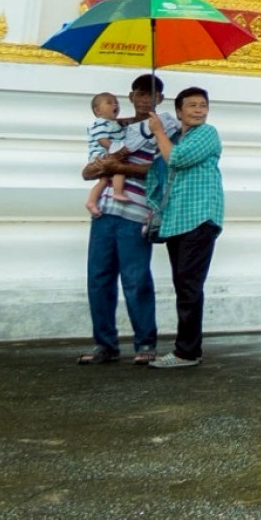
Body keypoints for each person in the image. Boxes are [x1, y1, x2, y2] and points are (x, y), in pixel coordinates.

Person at [77, 74, 170, 367]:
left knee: (136, 279)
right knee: (98, 278)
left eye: (151, 94)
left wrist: (118, 165)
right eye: (140, 94)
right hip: (104, 210)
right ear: (131, 97)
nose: (145, 99)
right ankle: (105, 344)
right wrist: (106, 165)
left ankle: (146, 344)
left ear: (160, 99)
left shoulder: (164, 126)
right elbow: (88, 171)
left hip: (137, 211)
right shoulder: (114, 126)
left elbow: (162, 169)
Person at [149, 86, 224, 371]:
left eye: (202, 105)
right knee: (183, 285)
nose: (198, 110)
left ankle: (187, 351)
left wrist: (158, 132)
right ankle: (188, 348)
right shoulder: (176, 138)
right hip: (177, 219)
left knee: (189, 286)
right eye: (191, 105)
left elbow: (177, 159)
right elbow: (159, 171)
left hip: (200, 218)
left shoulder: (207, 133)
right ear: (178, 111)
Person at [85, 93, 132, 215]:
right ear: (98, 111)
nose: (115, 105)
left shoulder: (113, 123)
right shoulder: (100, 123)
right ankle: (118, 192)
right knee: (119, 168)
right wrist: (116, 150)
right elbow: (102, 140)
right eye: (109, 103)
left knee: (104, 180)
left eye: (116, 102)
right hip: (100, 155)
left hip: (106, 154)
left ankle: (91, 201)